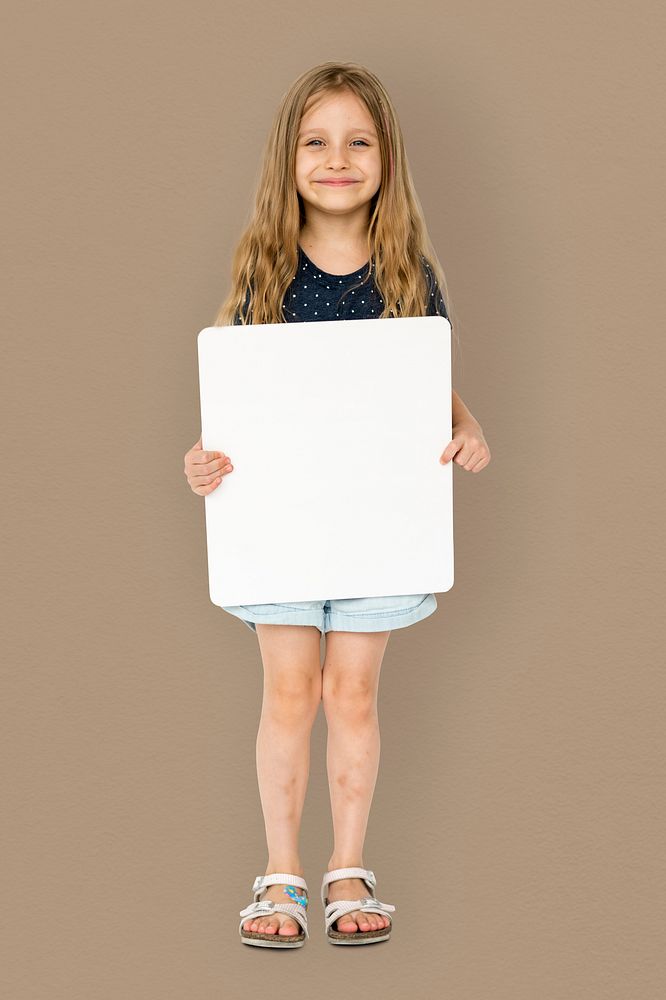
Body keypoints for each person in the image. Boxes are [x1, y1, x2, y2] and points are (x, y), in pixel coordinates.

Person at [183, 62, 491, 948]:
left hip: (379, 519)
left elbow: (428, 386)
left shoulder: (407, 269)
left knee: (352, 694)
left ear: (386, 159)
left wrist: (468, 430)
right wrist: (202, 460)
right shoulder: (264, 268)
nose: (338, 159)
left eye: (359, 141)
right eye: (317, 142)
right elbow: (236, 395)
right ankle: (279, 874)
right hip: (279, 519)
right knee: (290, 691)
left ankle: (347, 867)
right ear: (289, 160)